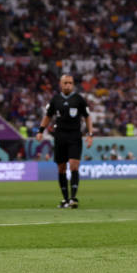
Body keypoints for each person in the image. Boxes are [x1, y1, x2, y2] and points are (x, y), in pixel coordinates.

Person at [36, 75, 93, 208]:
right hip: (60, 137)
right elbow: (48, 116)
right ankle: (65, 199)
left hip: (75, 136)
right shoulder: (55, 99)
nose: (68, 85)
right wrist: (40, 130)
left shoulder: (79, 99)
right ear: (61, 84)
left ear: (73, 85)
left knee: (74, 165)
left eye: (70, 83)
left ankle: (73, 198)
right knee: (61, 168)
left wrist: (90, 134)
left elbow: (87, 117)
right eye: (65, 83)